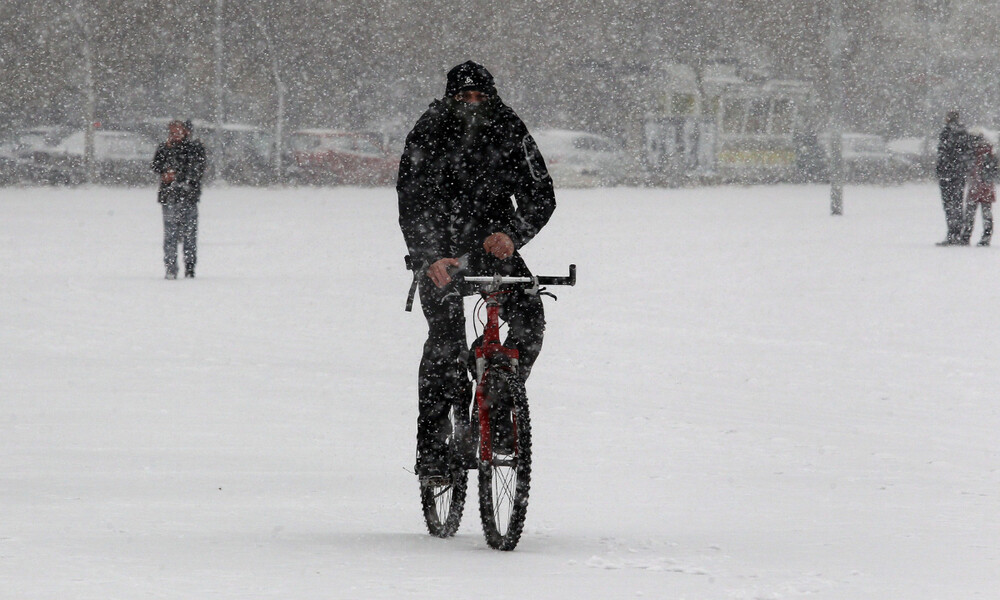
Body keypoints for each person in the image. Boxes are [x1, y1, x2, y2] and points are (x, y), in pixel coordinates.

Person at [397, 61, 556, 480]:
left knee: (531, 322)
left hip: (493, 248)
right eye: (463, 98)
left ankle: (499, 407)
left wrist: (513, 234)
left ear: (492, 97)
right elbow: (411, 201)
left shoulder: (510, 128)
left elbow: (541, 193)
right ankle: (433, 447)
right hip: (442, 253)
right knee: (444, 343)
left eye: (480, 97)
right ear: (450, 98)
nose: (472, 105)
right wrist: (428, 254)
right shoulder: (428, 130)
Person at [151, 120, 207, 278]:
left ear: (186, 132)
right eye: (172, 131)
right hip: (169, 197)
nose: (175, 134)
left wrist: (178, 178)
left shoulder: (195, 148)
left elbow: (197, 169)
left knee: (189, 234)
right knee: (170, 234)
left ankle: (190, 267)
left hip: (188, 196)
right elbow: (156, 165)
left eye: (178, 131)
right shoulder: (164, 147)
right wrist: (166, 169)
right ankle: (170, 267)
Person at [936, 111, 973, 246]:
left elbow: (943, 153)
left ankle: (952, 232)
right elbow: (968, 153)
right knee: (957, 202)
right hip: (959, 174)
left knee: (948, 204)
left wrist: (941, 169)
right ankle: (958, 232)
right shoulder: (964, 133)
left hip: (947, 173)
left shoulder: (947, 132)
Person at [961, 133, 995, 246]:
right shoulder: (989, 154)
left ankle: (966, 236)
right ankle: (986, 236)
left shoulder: (973, 154)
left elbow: (969, 168)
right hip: (986, 188)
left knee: (970, 213)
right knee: (986, 214)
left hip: (976, 187)